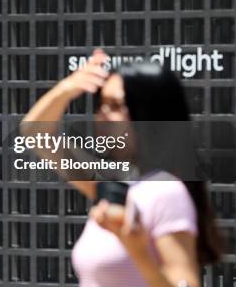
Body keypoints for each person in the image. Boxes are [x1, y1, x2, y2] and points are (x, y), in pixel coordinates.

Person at [22, 49, 222, 287]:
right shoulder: (116, 184)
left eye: (115, 105)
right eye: (101, 104)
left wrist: (137, 250)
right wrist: (67, 88)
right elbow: (35, 133)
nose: (102, 115)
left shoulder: (166, 192)